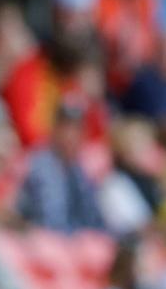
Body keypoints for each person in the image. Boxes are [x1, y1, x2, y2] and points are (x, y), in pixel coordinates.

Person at [16, 98, 104, 233]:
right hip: (42, 239)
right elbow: (48, 219)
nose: (71, 135)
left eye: (76, 128)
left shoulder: (80, 167)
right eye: (66, 127)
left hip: (76, 241)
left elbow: (92, 218)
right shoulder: (37, 163)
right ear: (55, 129)